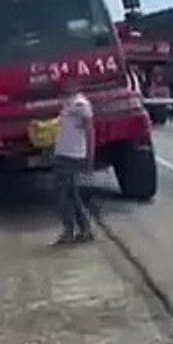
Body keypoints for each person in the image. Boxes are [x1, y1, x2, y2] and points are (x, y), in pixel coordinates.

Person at [53, 77, 95, 245]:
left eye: (69, 82)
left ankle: (72, 230)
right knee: (71, 195)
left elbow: (90, 131)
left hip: (72, 155)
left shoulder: (80, 105)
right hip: (63, 154)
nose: (65, 85)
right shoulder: (68, 104)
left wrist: (90, 158)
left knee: (64, 196)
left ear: (77, 84)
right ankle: (83, 229)